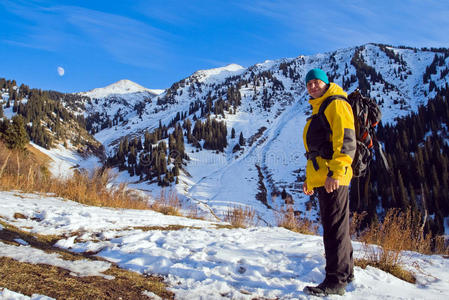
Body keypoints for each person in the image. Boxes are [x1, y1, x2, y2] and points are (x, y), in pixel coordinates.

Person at [302, 68, 356, 296]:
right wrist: (310, 181)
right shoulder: (320, 108)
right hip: (325, 178)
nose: (313, 86)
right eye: (309, 83)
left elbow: (345, 141)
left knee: (334, 230)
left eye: (317, 82)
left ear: (326, 83)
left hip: (334, 178)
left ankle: (336, 281)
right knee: (337, 227)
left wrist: (336, 173)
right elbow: (316, 152)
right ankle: (346, 273)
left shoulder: (336, 104)